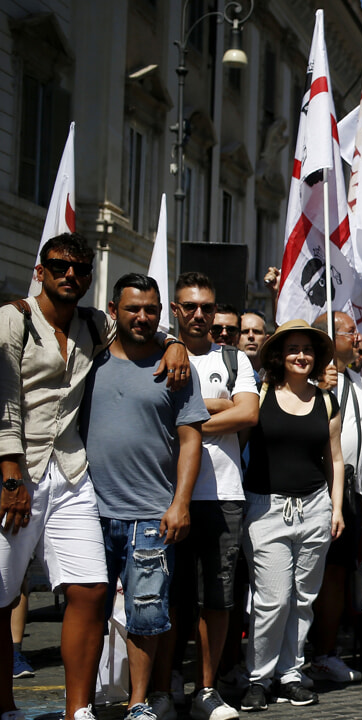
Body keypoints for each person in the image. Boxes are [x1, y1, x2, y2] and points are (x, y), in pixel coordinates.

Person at [0, 233, 188, 720]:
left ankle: (77, 710)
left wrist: (177, 345)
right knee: (2, 593)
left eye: (80, 269)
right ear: (41, 270)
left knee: (90, 589)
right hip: (17, 473)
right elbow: (5, 406)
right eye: (60, 266)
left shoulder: (93, 324)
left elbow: (141, 325)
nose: (70, 276)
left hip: (70, 473)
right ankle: (2, 703)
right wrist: (9, 476)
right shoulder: (14, 318)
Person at [82, 274, 209, 720]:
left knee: (147, 615)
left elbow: (191, 440)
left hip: (151, 516)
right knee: (88, 613)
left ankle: (138, 702)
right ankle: (82, 703)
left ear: (161, 312)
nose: (142, 317)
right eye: (133, 308)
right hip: (88, 511)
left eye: (151, 309)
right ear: (113, 310)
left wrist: (180, 503)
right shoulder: (89, 360)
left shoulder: (175, 366)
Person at [163, 272, 259, 720]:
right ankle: (164, 686)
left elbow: (249, 413)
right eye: (190, 306)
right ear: (176, 309)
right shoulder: (161, 353)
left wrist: (188, 424)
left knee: (217, 599)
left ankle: (205, 688)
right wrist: (218, 407)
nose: (200, 315)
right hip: (164, 494)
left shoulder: (235, 359)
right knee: (167, 598)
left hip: (222, 494)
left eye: (207, 307)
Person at [239, 320, 344, 711]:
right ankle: (259, 677)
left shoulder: (327, 400)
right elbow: (239, 447)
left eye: (307, 350)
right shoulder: (260, 394)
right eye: (293, 349)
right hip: (266, 510)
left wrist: (335, 508)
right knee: (272, 599)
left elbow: (334, 458)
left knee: (303, 599)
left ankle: (290, 674)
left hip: (315, 507)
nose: (301, 356)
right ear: (279, 356)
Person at [306, 312, 362, 684]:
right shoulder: (310, 379)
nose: (358, 337)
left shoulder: (357, 380)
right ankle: (293, 656)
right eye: (349, 331)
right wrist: (319, 386)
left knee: (336, 576)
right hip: (315, 486)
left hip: (349, 492)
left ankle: (326, 653)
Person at [238, 310, 270, 375]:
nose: (251, 336)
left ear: (266, 339)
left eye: (257, 332)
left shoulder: (277, 374)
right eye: (245, 332)